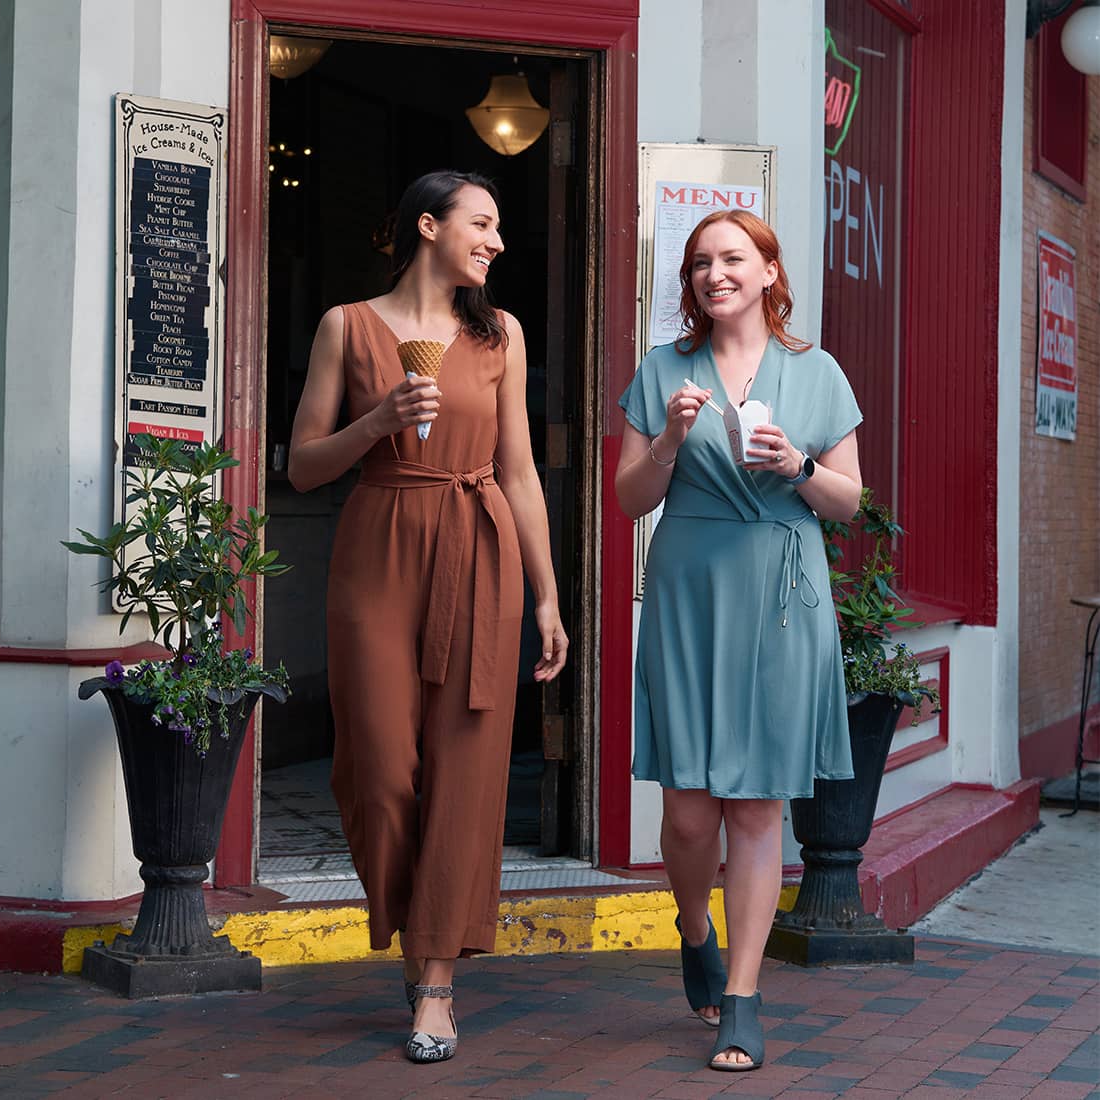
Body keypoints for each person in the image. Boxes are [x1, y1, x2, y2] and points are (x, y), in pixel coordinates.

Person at [288, 170, 568, 1065]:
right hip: (378, 550)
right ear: (427, 226)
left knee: (468, 767)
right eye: (480, 224)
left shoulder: (502, 336)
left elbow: (519, 471)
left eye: (497, 229)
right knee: (380, 770)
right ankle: (414, 926)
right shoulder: (347, 325)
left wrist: (547, 594)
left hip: (480, 548)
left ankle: (436, 979)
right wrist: (376, 422)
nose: (494, 240)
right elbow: (301, 468)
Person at [615, 209, 862, 1072]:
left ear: (767, 271)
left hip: (785, 599)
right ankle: (694, 927)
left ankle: (744, 998)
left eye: (731, 259)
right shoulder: (663, 370)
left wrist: (797, 466)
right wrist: (676, 438)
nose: (713, 274)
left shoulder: (816, 371)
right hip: (690, 593)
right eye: (697, 264)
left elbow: (848, 503)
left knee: (756, 807)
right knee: (687, 811)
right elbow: (627, 500)